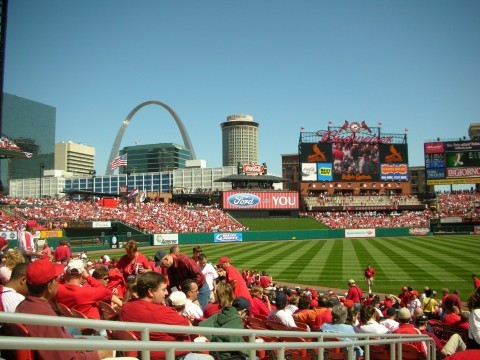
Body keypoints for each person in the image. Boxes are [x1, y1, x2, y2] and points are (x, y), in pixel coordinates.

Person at [15, 259, 111, 359]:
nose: (58, 282)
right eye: (55, 279)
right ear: (49, 286)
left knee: (100, 341)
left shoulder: (24, 305)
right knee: (109, 347)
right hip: (71, 352)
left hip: (67, 343)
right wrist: (99, 355)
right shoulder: (45, 317)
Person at [120, 272, 213, 360]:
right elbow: (190, 329)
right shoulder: (162, 312)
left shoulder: (127, 306)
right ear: (150, 292)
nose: (166, 293)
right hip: (171, 356)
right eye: (163, 289)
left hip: (144, 355)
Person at [56, 259, 123, 319]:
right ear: (82, 273)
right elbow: (105, 290)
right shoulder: (87, 293)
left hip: (68, 326)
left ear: (66, 273)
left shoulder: (58, 289)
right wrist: (88, 277)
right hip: (90, 329)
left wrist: (62, 278)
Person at [198, 295, 251, 360]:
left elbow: (201, 326)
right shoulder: (237, 319)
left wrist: (211, 341)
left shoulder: (219, 314)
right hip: (228, 356)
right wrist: (251, 352)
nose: (246, 317)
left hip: (215, 353)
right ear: (244, 311)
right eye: (247, 314)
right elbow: (235, 341)